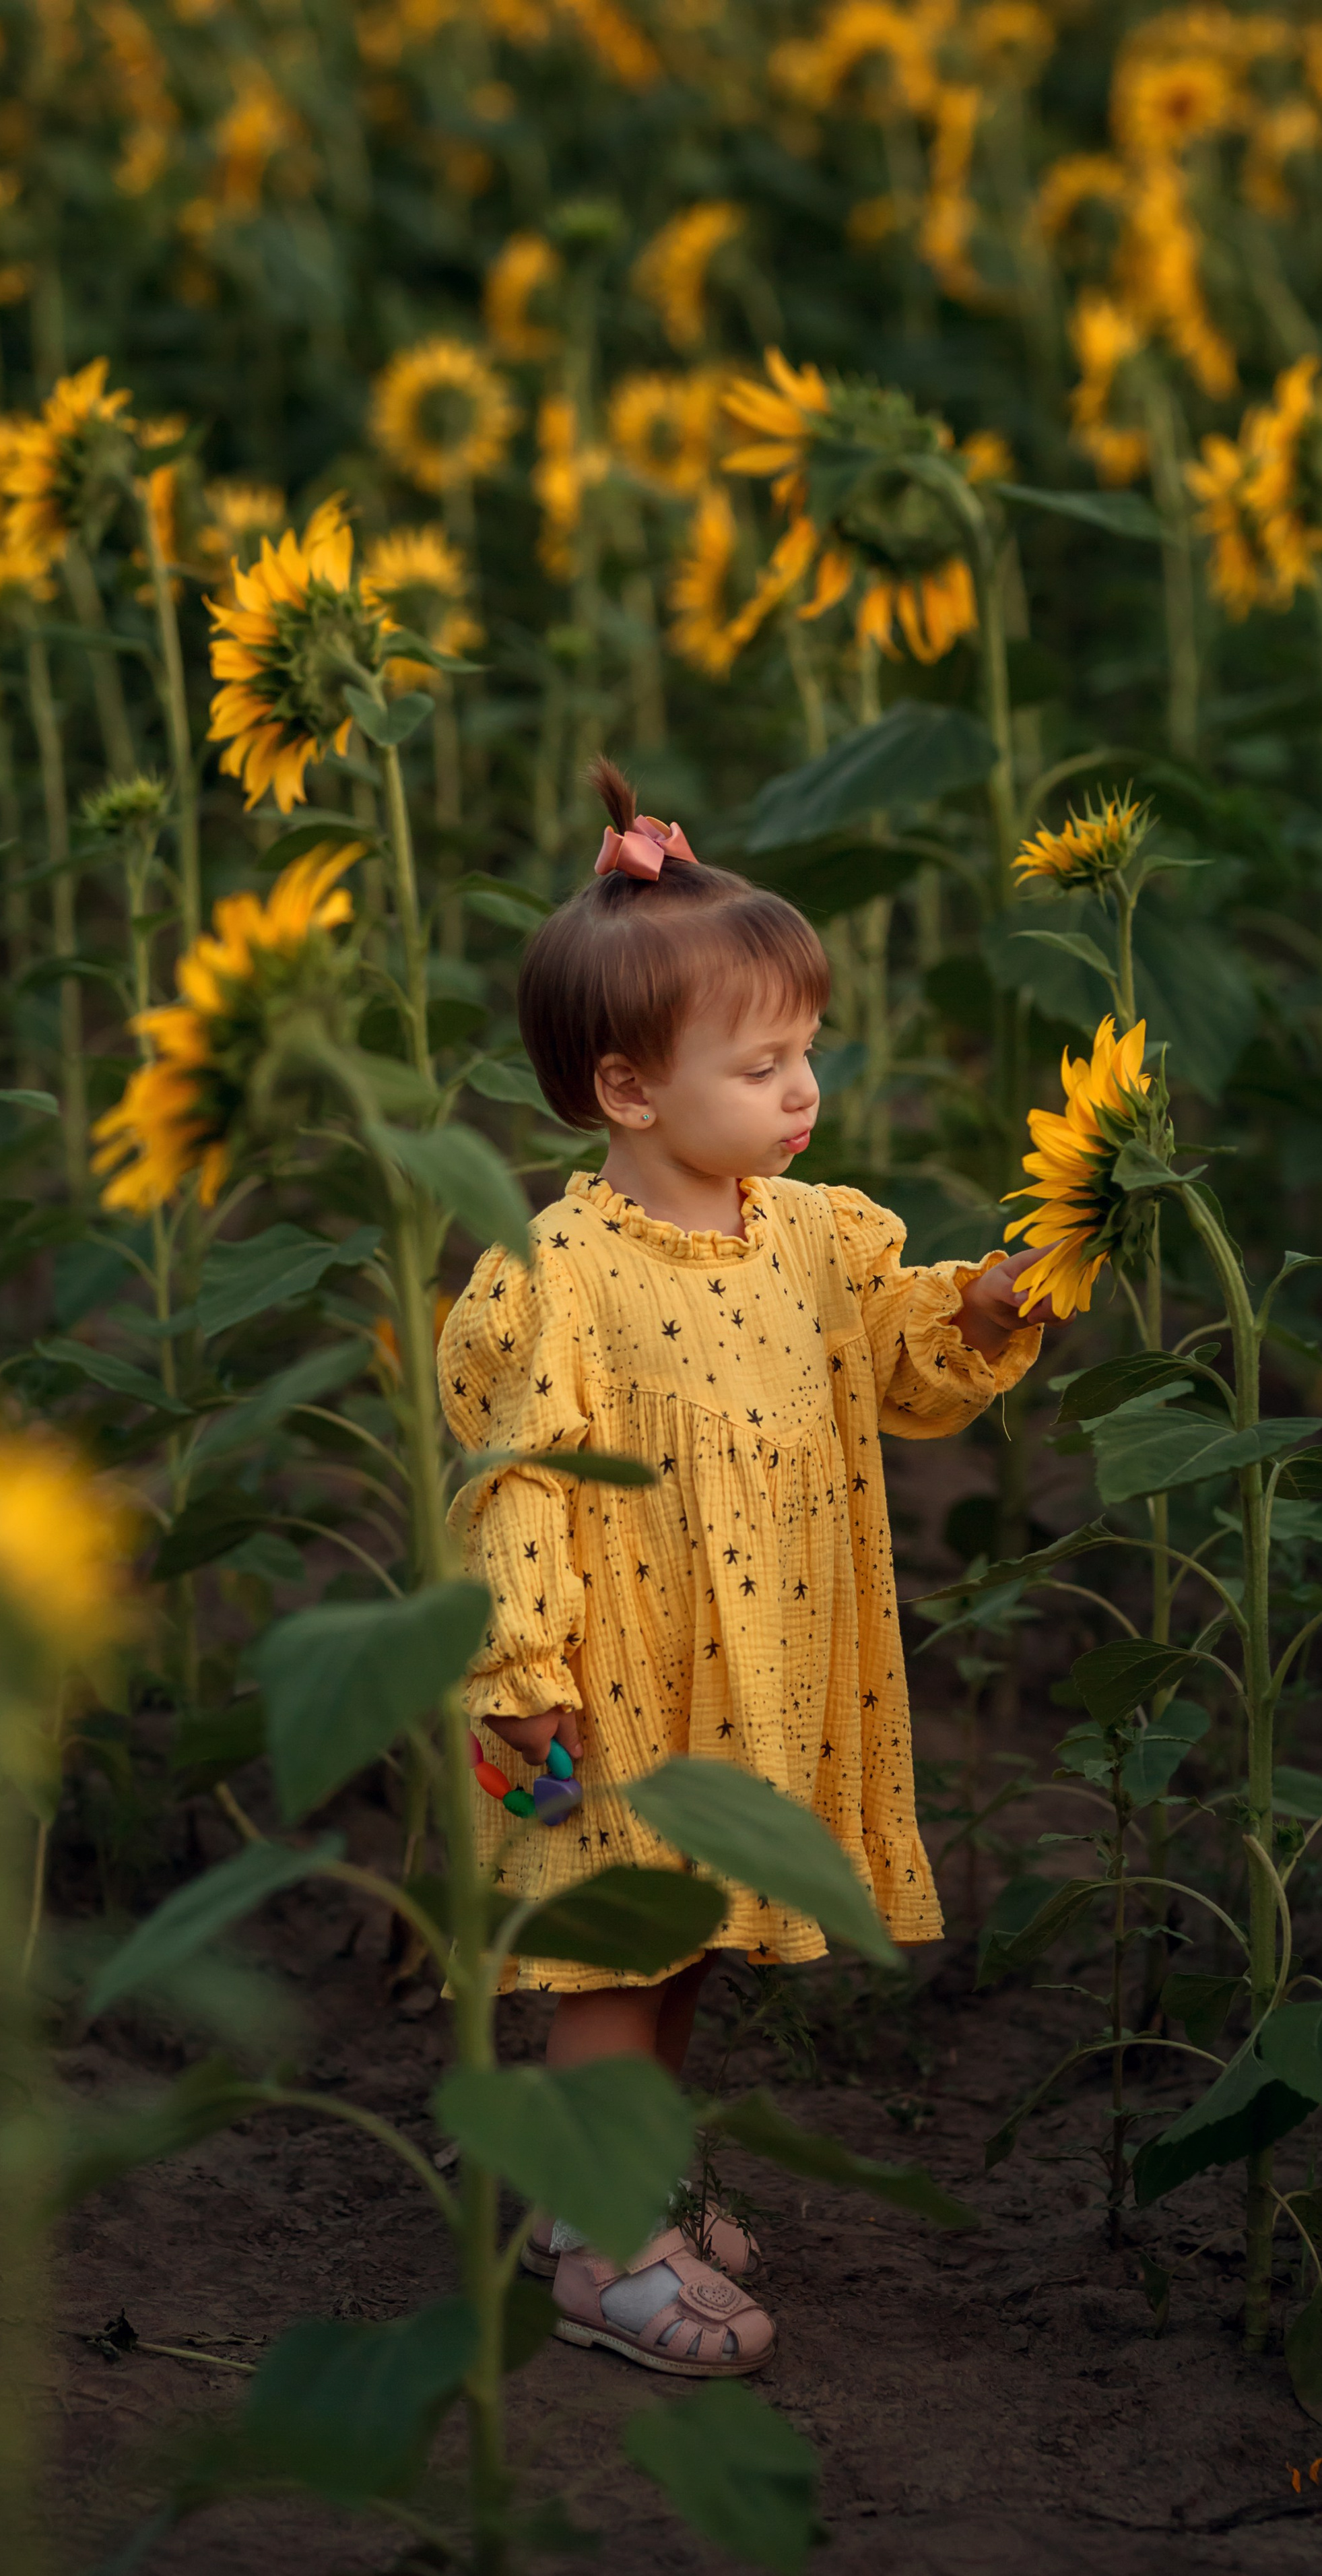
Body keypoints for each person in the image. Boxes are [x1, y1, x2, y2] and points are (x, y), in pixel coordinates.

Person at [437, 757, 1059, 2377]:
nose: (802, 1090)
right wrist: (519, 1686)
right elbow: (511, 1489)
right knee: (610, 1946)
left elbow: (897, 1354)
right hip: (596, 1691)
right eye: (763, 1061)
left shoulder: (803, 1232)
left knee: (693, 1934)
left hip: (757, 1672)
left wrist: (979, 1308)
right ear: (629, 1092)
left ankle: (611, 2185)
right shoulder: (558, 1277)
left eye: (806, 1053)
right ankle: (595, 2257)